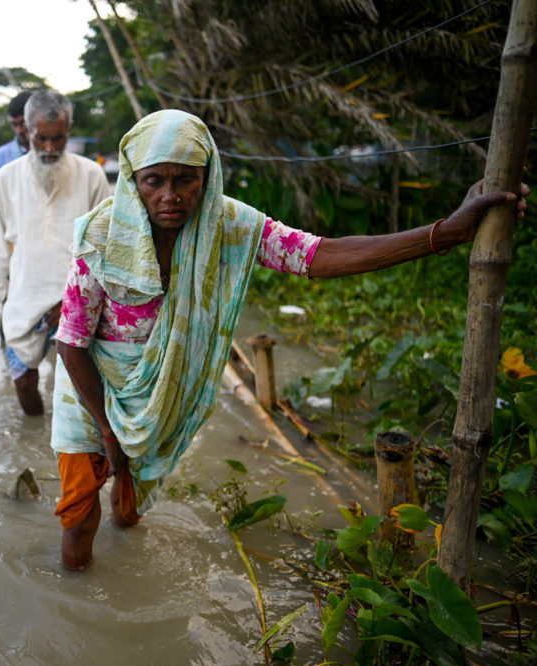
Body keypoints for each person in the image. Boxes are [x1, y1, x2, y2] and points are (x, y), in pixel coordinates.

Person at [51, 109, 530, 570]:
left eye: (186, 179)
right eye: (155, 180)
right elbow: (71, 343)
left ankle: (125, 538)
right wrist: (109, 432)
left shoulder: (227, 225)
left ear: (207, 175)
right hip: (90, 385)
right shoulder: (100, 235)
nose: (170, 196)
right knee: (78, 517)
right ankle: (79, 602)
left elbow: (319, 256)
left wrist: (444, 233)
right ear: (134, 179)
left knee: (131, 500)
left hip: (162, 393)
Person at [0, 90, 112, 416]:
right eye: (42, 139)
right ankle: (33, 441)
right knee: (23, 383)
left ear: (69, 131)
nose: (50, 148)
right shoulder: (8, 178)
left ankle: (66, 454)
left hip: (79, 303)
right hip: (24, 298)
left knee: (79, 392)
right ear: (26, 130)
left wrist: (75, 300)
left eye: (58, 138)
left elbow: (106, 248)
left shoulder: (92, 175)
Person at [0, 91, 32, 178]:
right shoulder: (2, 156)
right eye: (14, 124)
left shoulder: (59, 150)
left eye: (23, 123)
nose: (19, 131)